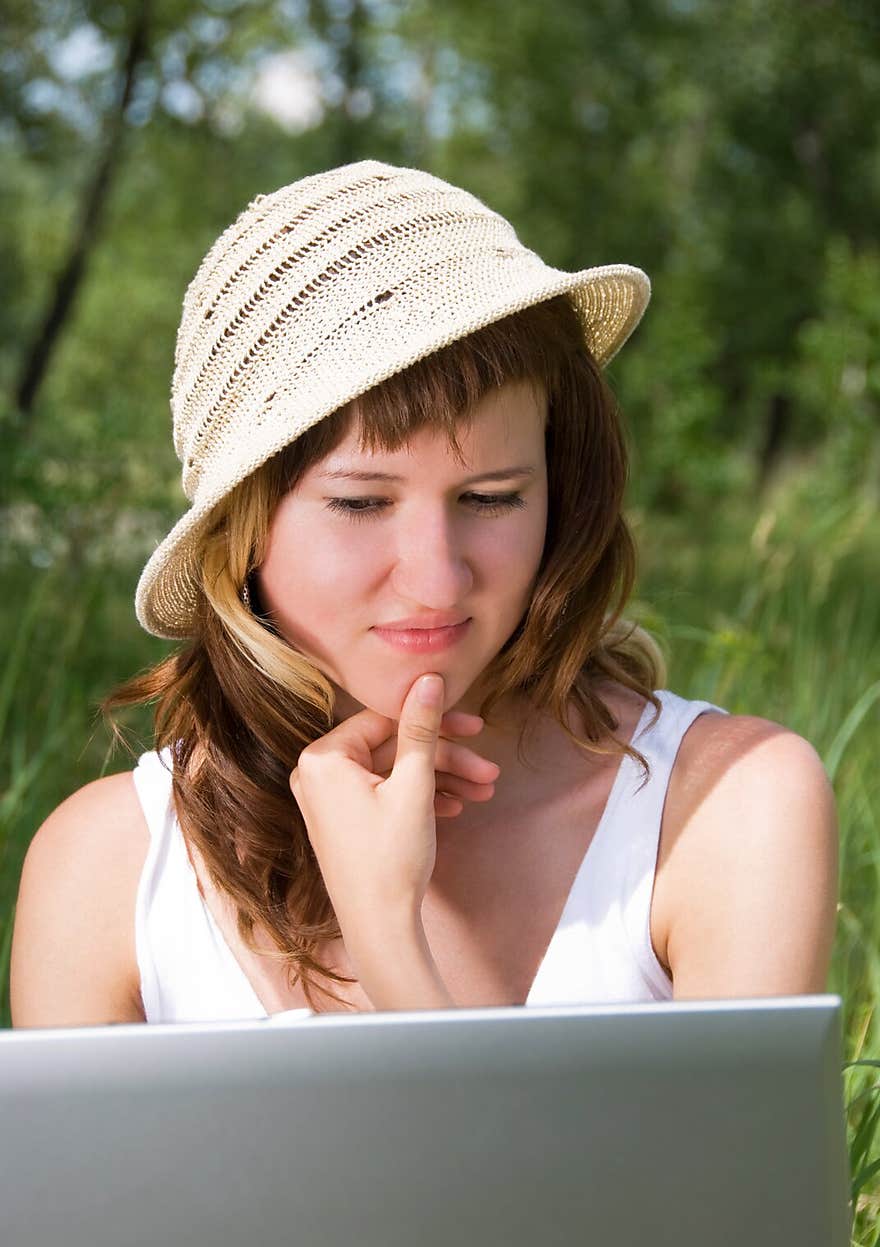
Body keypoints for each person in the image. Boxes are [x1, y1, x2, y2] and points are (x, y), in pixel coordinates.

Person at [11, 160, 838, 1026]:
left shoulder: (728, 810)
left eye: (490, 498)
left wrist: (389, 943)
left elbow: (738, 1172)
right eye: (361, 503)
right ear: (241, 528)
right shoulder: (104, 871)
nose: (437, 578)